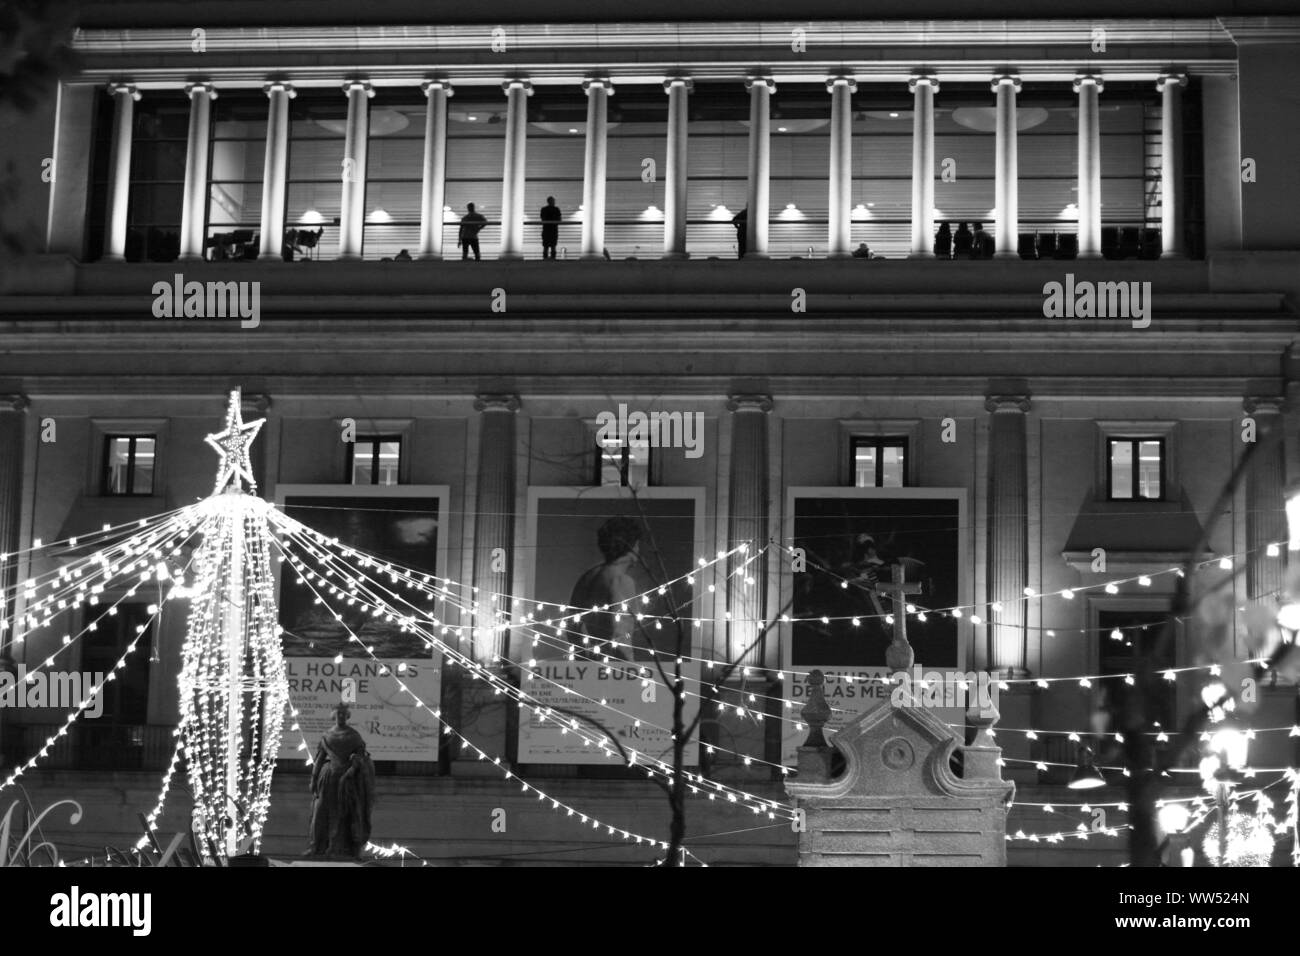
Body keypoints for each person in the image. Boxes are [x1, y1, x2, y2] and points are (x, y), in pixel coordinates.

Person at [566, 516, 651, 661]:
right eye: (637, 544)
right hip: (613, 670)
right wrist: (631, 672)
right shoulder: (621, 581)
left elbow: (572, 629)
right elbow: (620, 638)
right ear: (632, 546)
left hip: (588, 668)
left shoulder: (586, 578)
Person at [308, 702, 375, 858]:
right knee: (321, 811)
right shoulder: (327, 736)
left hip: (346, 781)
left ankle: (339, 847)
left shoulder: (354, 736)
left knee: (343, 813)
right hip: (328, 777)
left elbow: (360, 758)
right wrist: (313, 778)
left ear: (347, 716)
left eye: (344, 714)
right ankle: (318, 846)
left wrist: (353, 768)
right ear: (334, 716)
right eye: (338, 714)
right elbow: (319, 759)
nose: (341, 717)